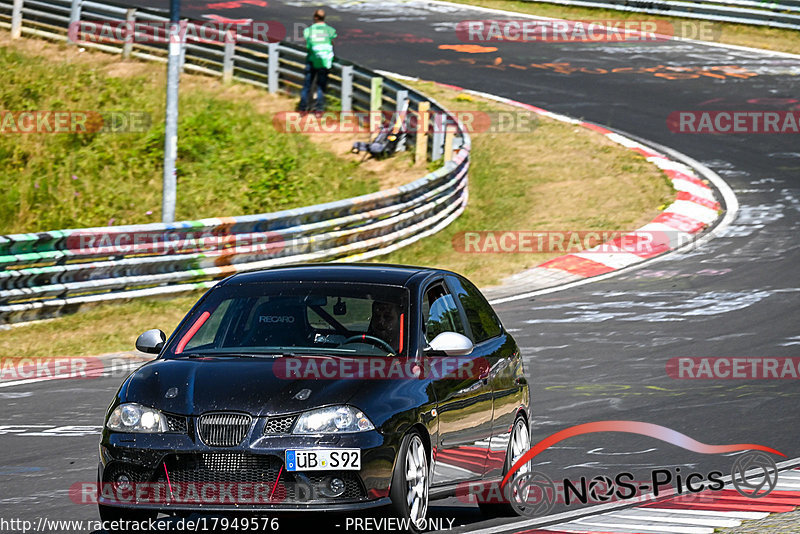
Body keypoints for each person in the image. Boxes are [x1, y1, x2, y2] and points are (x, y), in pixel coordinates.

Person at [299, 9, 337, 113]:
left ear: (315, 17)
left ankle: (302, 109)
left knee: (307, 85)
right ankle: (319, 110)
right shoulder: (330, 30)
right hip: (324, 61)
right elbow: (332, 42)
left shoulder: (309, 30)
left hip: (311, 59)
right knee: (321, 86)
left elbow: (308, 43)